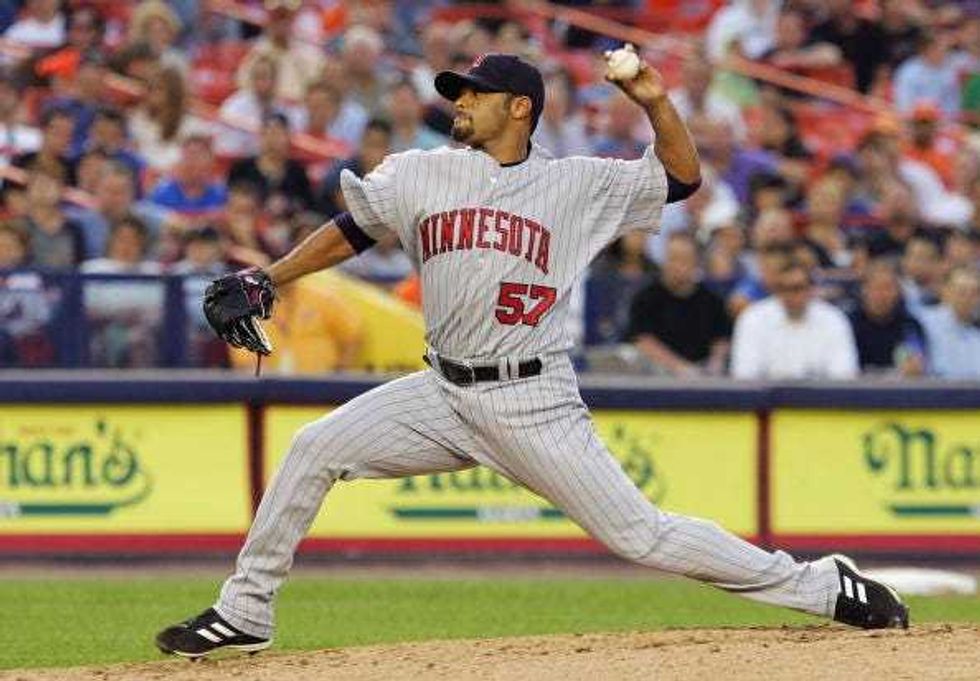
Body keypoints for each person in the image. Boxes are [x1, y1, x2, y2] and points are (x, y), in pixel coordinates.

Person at [156, 52, 907, 660]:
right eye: (458, 93)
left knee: (641, 535)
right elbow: (355, 226)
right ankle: (246, 608)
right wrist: (267, 276)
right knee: (315, 445)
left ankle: (818, 585)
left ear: (519, 107)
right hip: (442, 391)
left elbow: (680, 178)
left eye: (475, 94)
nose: (460, 102)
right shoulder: (422, 170)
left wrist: (652, 100)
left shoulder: (575, 183)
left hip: (533, 399)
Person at [731, 259, 859, 379]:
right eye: (783, 288)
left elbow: (843, 375)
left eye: (797, 288)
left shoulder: (833, 319)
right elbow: (744, 375)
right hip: (767, 401)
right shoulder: (753, 318)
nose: (790, 295)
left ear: (811, 289)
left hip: (821, 401)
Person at [626, 233, 731, 377]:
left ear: (695, 264)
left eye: (683, 260)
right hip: (656, 374)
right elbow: (642, 340)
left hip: (702, 373)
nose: (676, 266)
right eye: (672, 258)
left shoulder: (712, 300)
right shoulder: (645, 298)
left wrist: (715, 363)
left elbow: (721, 338)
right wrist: (679, 367)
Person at [847, 259, 927, 377]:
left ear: (898, 292)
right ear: (864, 290)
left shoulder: (910, 325)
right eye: (876, 288)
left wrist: (914, 367)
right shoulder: (848, 324)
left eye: (888, 288)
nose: (882, 295)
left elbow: (916, 363)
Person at [919, 266, 980, 378]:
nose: (968, 298)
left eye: (974, 293)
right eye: (962, 291)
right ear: (945, 291)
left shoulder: (976, 336)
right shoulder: (922, 321)